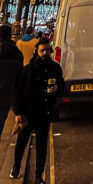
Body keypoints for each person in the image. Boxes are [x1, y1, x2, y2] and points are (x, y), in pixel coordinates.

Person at [11, 37, 65, 183]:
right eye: (42, 50)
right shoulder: (27, 70)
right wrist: (18, 113)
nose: (45, 53)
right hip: (27, 113)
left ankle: (38, 176)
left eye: (47, 50)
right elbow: (17, 92)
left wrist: (58, 88)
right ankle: (16, 167)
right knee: (21, 142)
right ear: (37, 51)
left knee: (42, 146)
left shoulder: (55, 68)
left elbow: (62, 84)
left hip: (45, 112)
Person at [0, 25, 24, 136]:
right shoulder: (17, 54)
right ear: (10, 35)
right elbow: (19, 85)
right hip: (4, 101)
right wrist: (18, 111)